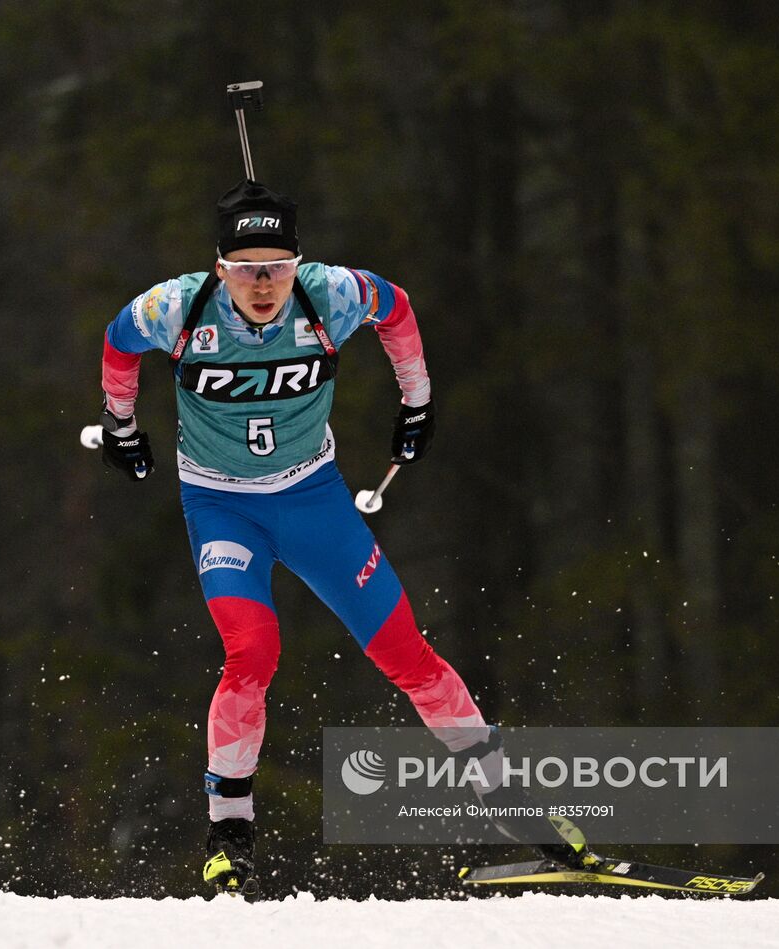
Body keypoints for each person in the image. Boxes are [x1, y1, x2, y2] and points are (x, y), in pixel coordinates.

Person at [97, 180, 593, 895]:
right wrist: (120, 424)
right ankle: (229, 829)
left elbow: (397, 307)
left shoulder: (330, 294)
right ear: (219, 267)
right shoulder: (178, 306)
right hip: (222, 506)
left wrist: (417, 401)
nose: (262, 285)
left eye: (277, 267)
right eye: (246, 269)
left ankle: (508, 801)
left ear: (298, 263)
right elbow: (119, 338)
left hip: (313, 499)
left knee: (407, 654)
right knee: (252, 652)